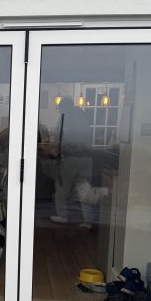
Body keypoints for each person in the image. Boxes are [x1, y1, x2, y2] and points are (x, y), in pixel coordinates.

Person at [45, 97, 94, 226]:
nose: (60, 111)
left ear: (64, 107)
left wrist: (55, 152)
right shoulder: (83, 116)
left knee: (61, 188)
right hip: (87, 158)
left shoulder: (65, 118)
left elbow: (59, 139)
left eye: (60, 108)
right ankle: (88, 220)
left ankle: (62, 216)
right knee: (84, 190)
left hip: (71, 158)